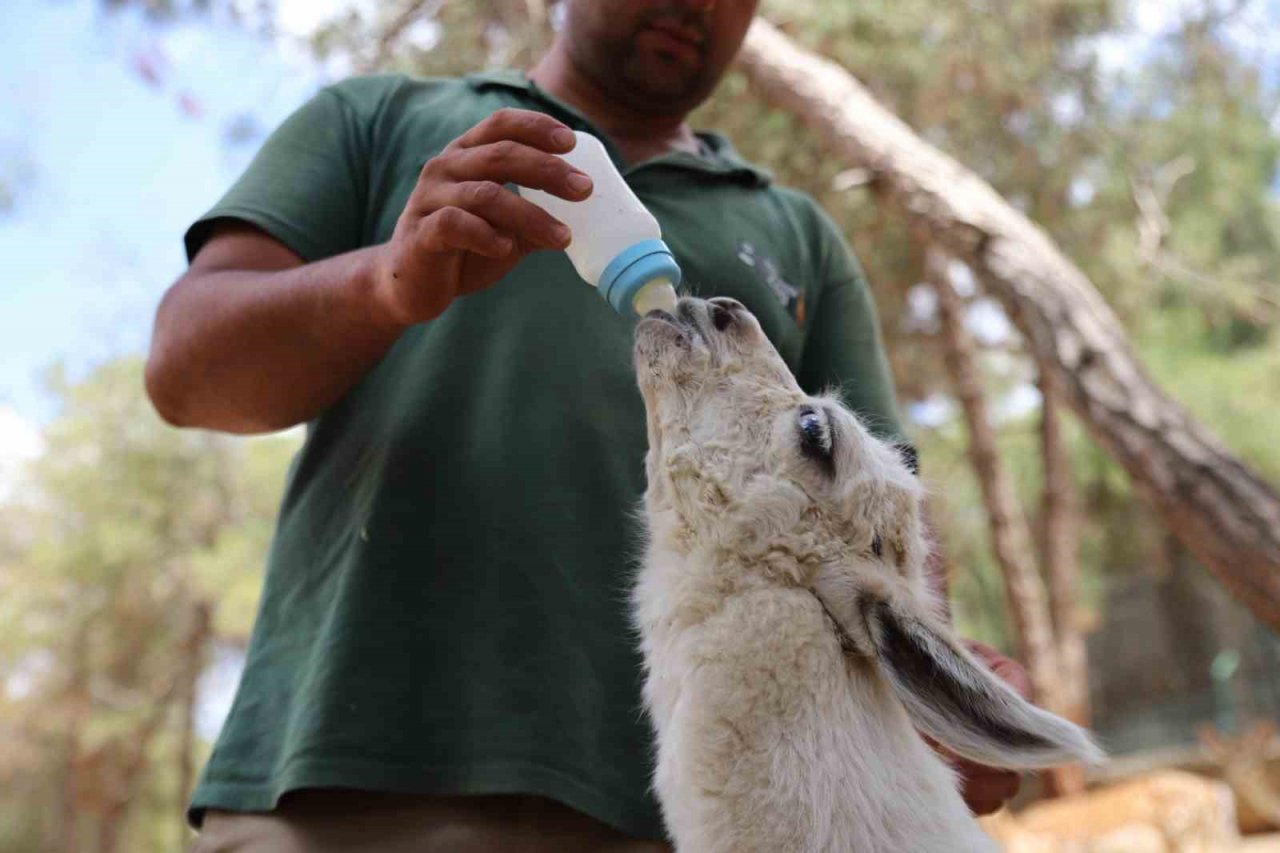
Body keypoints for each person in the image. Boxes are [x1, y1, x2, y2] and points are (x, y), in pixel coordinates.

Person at [147, 1, 1027, 849]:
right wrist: (385, 280)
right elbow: (187, 375)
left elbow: (876, 507)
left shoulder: (797, 233)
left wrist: (939, 698)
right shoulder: (381, 119)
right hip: (343, 790)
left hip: (688, 812)